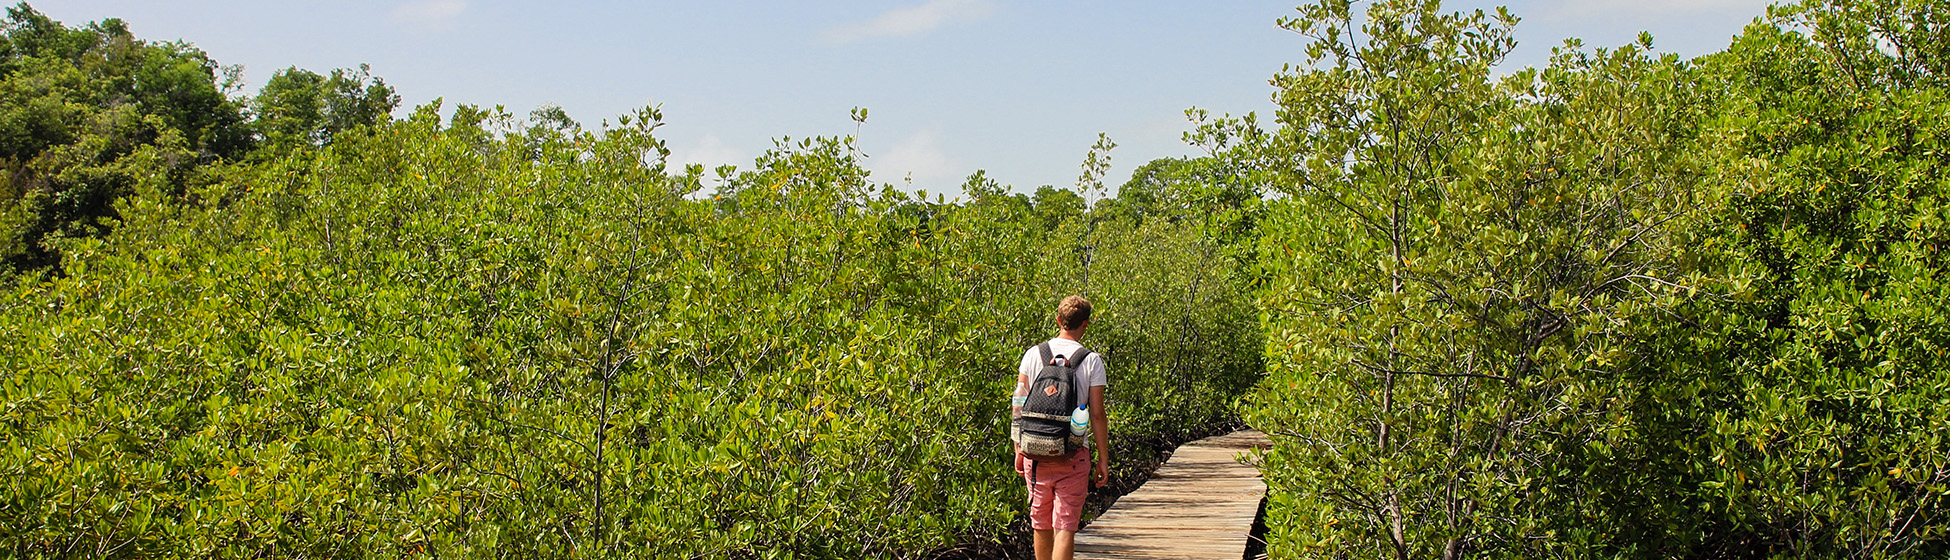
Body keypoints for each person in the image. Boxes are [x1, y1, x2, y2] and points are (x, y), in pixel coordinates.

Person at [1012, 295, 1109, 560]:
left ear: (1058, 320)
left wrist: (1018, 448)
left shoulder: (1034, 354)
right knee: (1065, 526)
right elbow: (1097, 415)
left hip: (1035, 451)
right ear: (1085, 324)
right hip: (1074, 453)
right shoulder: (1091, 361)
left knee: (1040, 522)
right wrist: (1103, 459)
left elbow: (1018, 404)